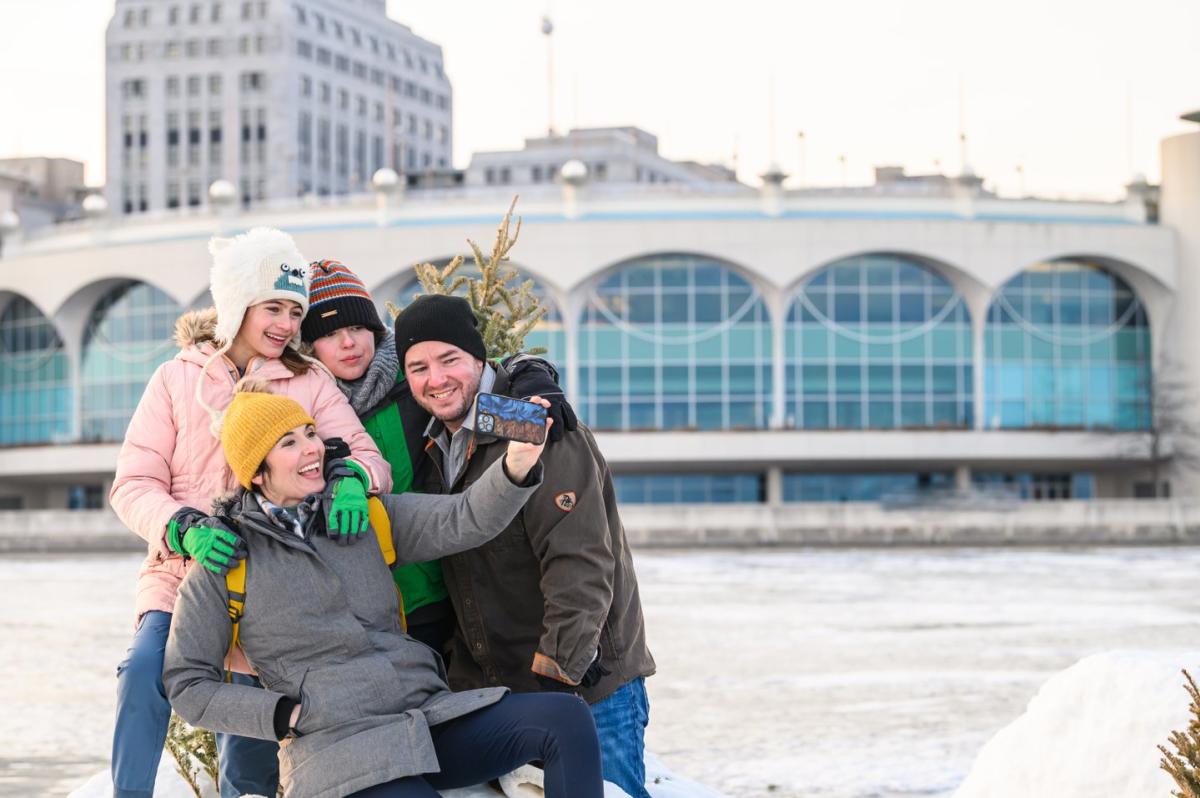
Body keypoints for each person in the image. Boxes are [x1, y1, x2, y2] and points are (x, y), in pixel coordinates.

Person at [163, 380, 604, 798]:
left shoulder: (361, 516)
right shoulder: (225, 564)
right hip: (340, 746)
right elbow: (187, 684)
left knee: (564, 720)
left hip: (425, 719)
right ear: (257, 473)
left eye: (311, 433)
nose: (314, 448)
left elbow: (465, 518)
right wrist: (284, 716)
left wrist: (517, 464)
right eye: (289, 443)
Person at [108, 228, 390, 798]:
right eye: (273, 308)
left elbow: (366, 456)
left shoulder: (309, 381)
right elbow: (134, 482)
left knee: (252, 737)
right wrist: (180, 528)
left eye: (295, 310)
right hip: (185, 574)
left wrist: (351, 480)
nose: (287, 325)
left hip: (273, 584)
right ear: (238, 303)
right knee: (144, 672)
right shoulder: (175, 379)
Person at [394, 294, 657, 798]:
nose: (435, 379)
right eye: (418, 367)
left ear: (478, 358)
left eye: (449, 360)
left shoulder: (532, 424)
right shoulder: (435, 442)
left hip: (585, 687)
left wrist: (557, 681)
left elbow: (579, 563)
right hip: (503, 693)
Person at [300, 259, 576, 658]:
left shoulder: (418, 380)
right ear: (310, 345)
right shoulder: (308, 403)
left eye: (358, 327)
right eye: (330, 333)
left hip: (449, 584)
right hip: (362, 601)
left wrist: (533, 376)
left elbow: (482, 372)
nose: (349, 343)